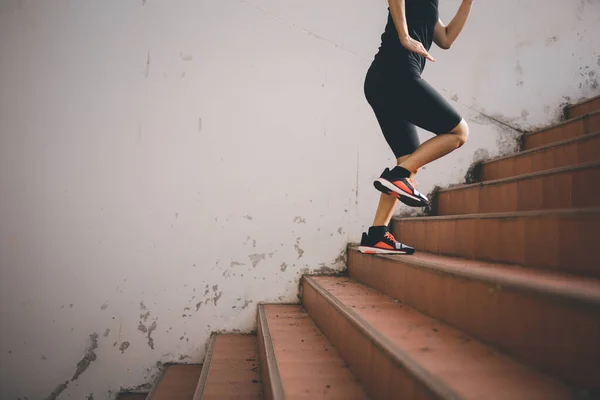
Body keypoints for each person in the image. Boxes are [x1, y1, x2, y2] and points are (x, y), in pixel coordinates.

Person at [358, 0, 474, 255]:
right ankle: (396, 176)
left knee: (410, 160)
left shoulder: (431, 5)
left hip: (382, 80)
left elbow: (445, 38)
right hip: (396, 74)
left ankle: (377, 234)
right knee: (458, 132)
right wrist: (404, 36)